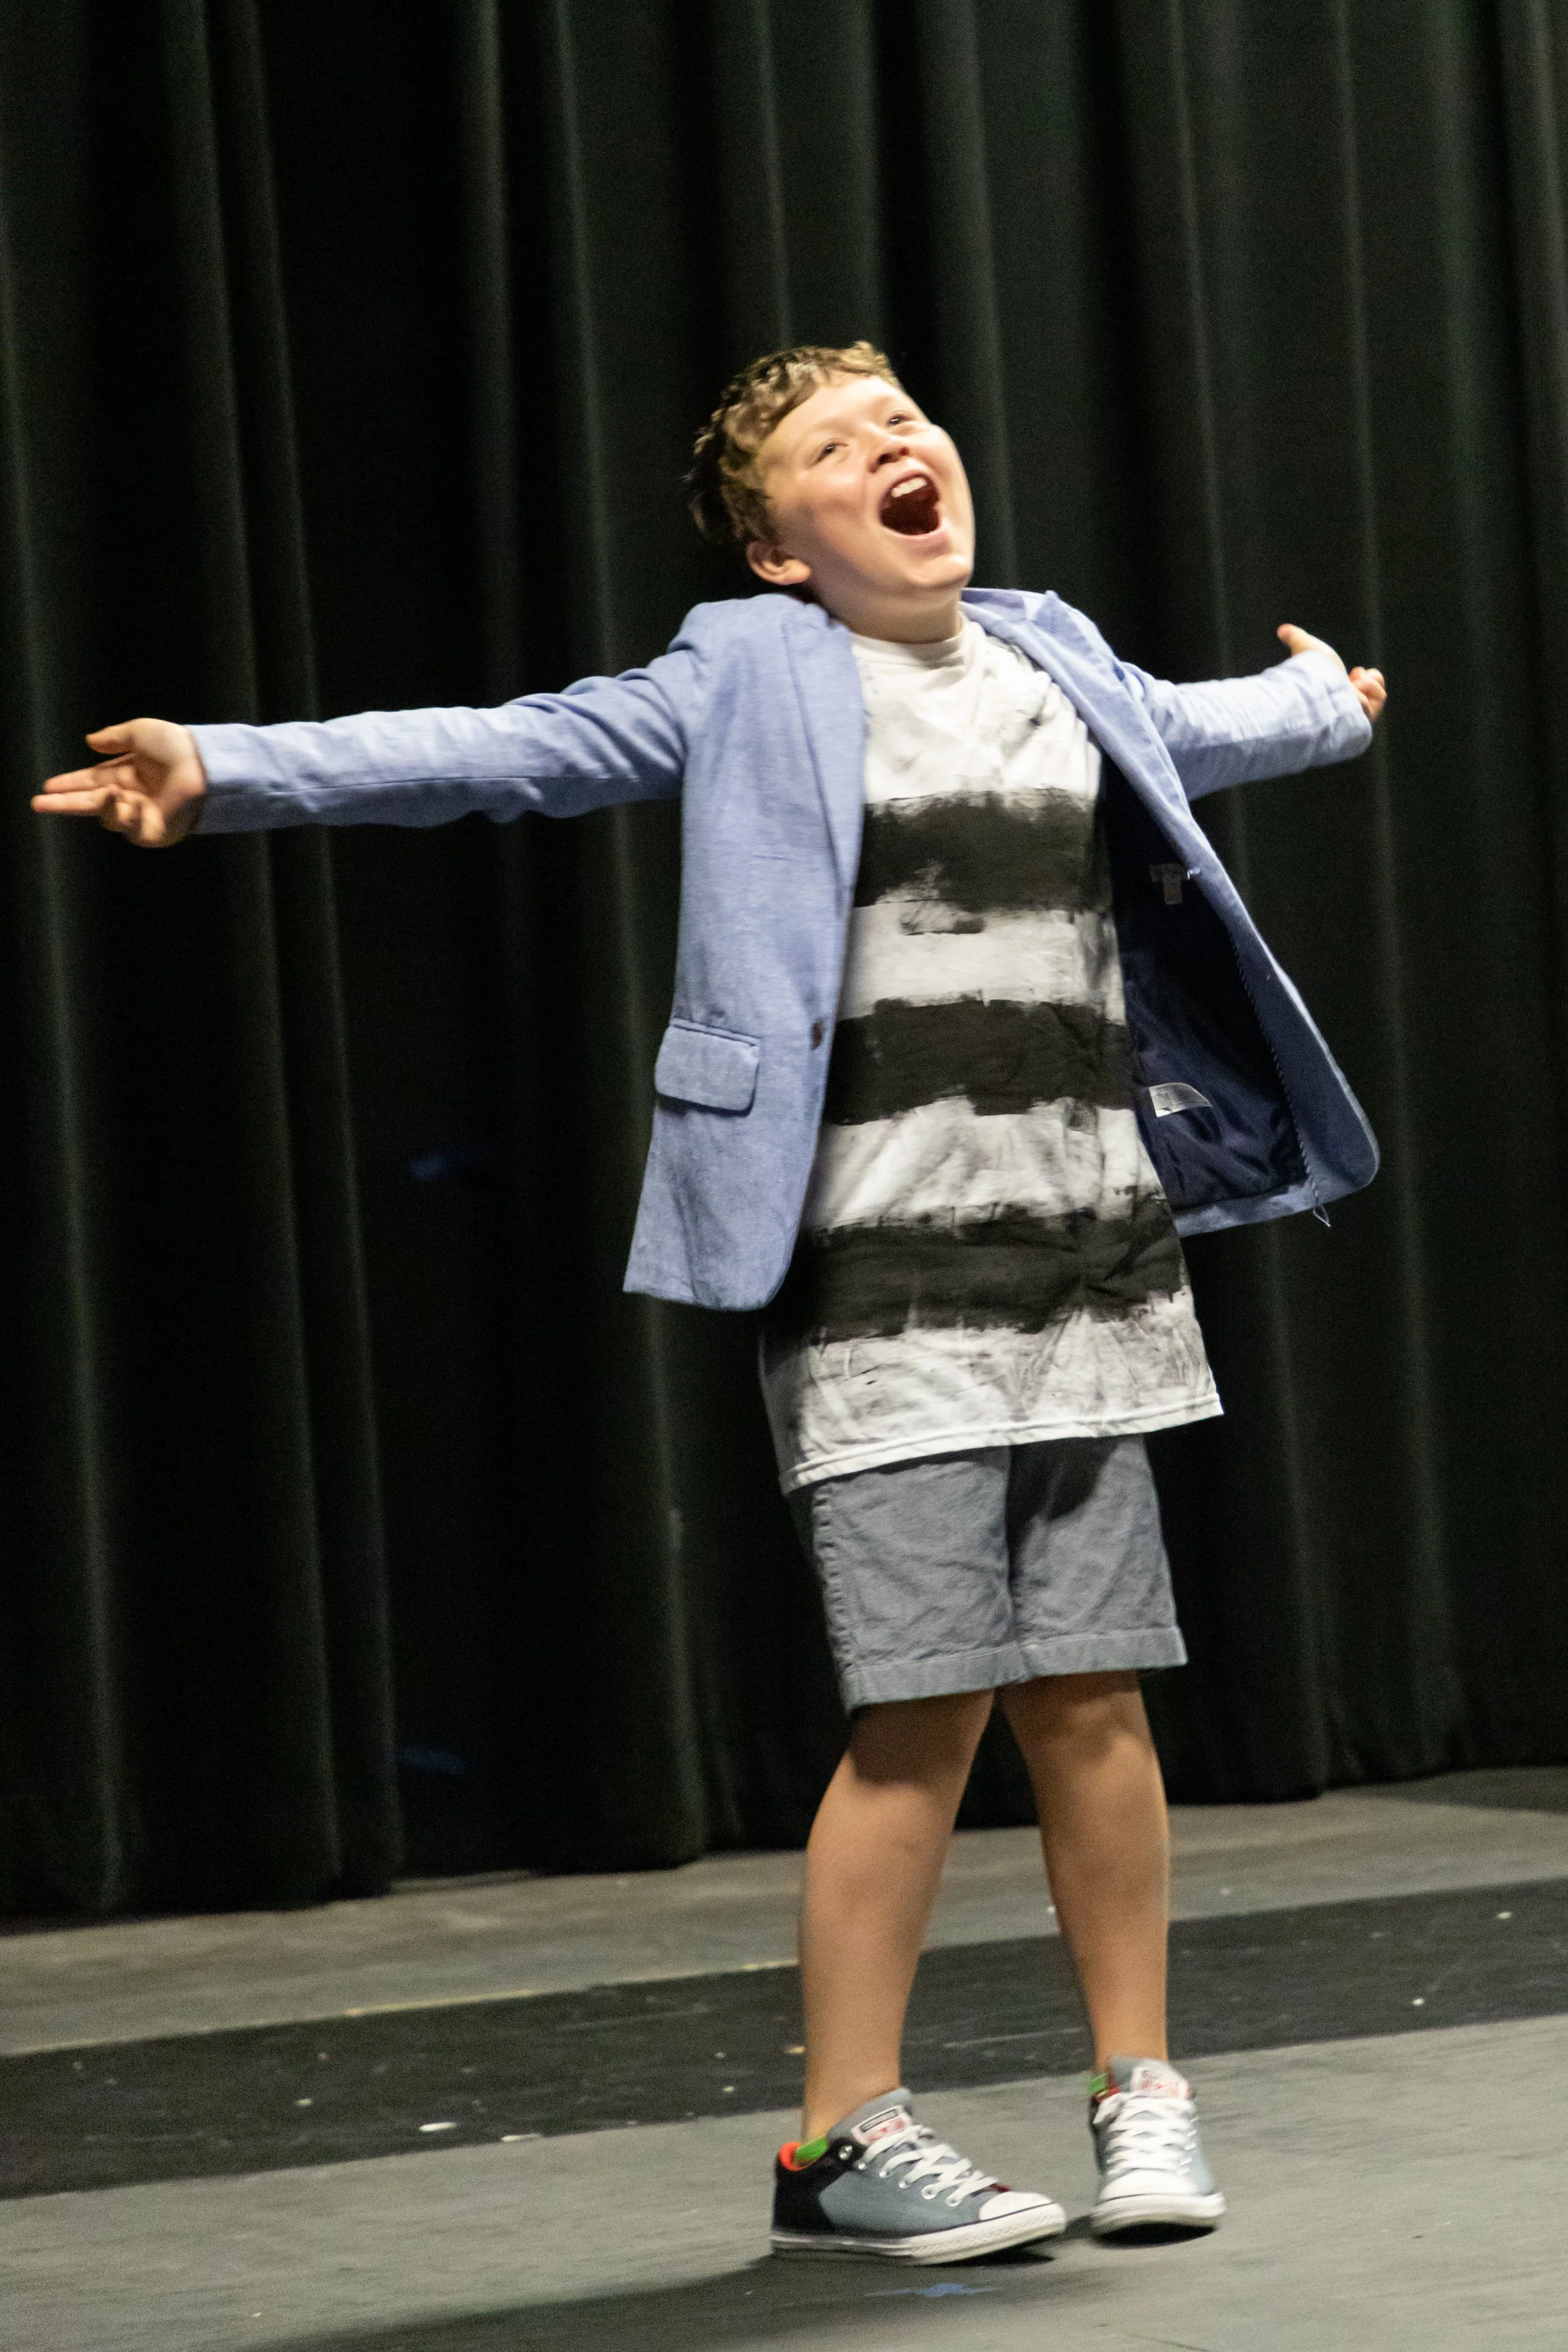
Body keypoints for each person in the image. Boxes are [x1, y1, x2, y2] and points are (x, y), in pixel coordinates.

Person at [36, 341, 1386, 2264]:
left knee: (1090, 1694)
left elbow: (1204, 725)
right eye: (843, 446)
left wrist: (1321, 698)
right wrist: (226, 769)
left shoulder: (1047, 645)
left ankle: (1135, 2088)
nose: (900, 443)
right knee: (919, 1709)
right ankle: (842, 2137)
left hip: (1088, 1250)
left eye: (906, 417)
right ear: (777, 547)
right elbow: (506, 747)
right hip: (878, 1267)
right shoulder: (748, 671)